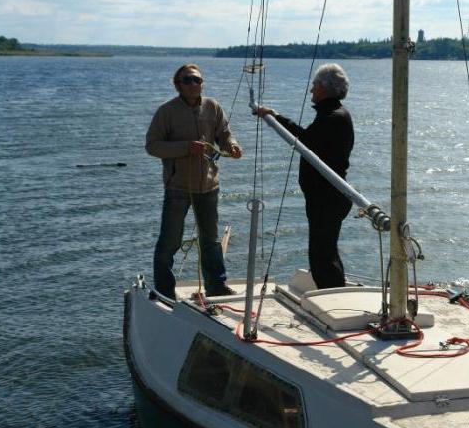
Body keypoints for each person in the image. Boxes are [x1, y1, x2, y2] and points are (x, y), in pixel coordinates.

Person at [146, 63, 242, 299]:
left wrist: (232, 146)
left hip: (209, 186)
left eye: (197, 80)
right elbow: (153, 146)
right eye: (187, 80)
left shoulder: (213, 107)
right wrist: (186, 148)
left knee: (210, 240)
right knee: (169, 243)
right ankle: (165, 291)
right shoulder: (166, 112)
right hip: (178, 187)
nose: (193, 84)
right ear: (177, 85)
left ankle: (216, 286)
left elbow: (224, 134)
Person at [256, 63, 353, 289]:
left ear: (326, 89)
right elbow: (309, 138)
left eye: (315, 86)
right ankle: (334, 292)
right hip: (325, 197)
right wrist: (276, 117)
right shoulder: (331, 115)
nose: (311, 91)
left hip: (328, 198)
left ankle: (333, 297)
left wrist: (276, 117)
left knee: (322, 257)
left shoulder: (334, 117)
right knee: (324, 252)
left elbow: (305, 141)